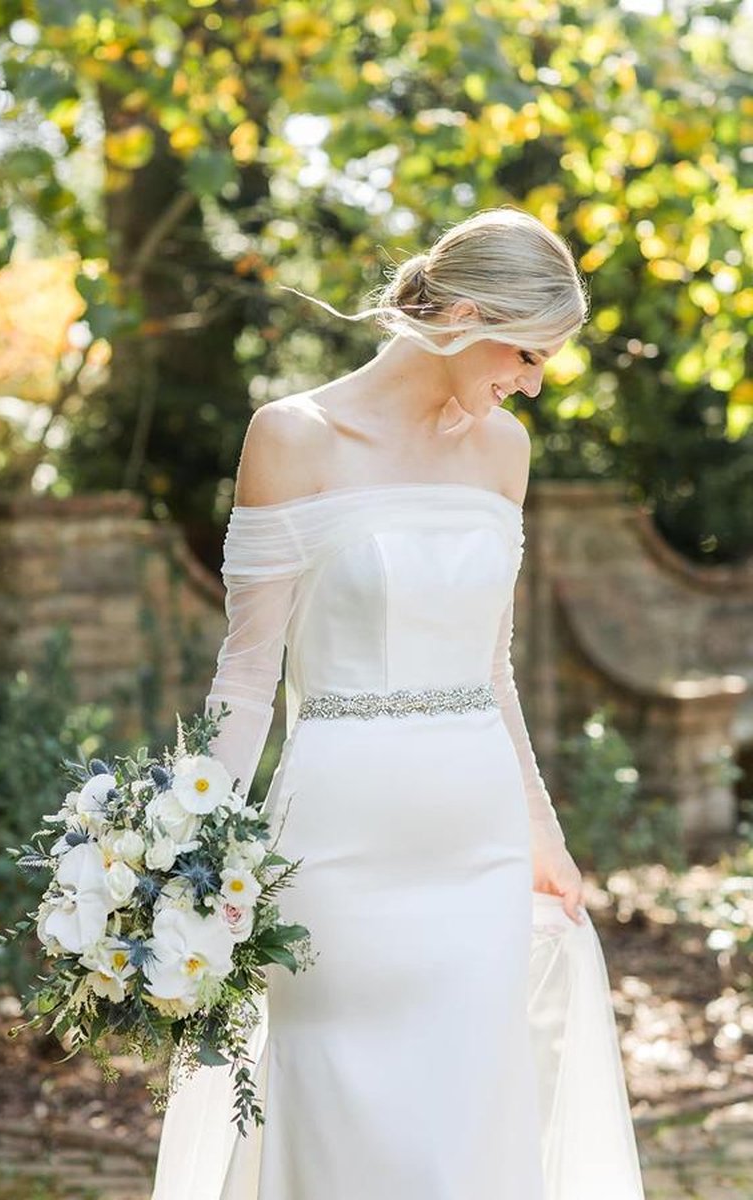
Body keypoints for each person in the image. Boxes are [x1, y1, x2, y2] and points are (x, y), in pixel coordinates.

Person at [151, 207, 647, 1199]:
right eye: (524, 352)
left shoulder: (502, 451)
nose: (533, 381)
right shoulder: (292, 438)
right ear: (463, 315)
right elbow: (245, 676)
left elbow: (490, 668)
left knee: (464, 1121)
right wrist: (189, 844)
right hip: (336, 838)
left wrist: (541, 833)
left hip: (476, 843)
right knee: (340, 1108)